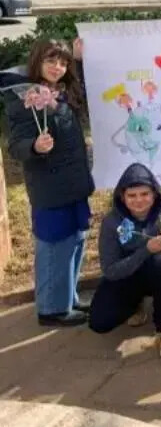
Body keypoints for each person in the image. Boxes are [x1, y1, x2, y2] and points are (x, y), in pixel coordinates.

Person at [2, 39, 94, 326]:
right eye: (51, 60)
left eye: (63, 62)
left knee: (76, 242)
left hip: (74, 183)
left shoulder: (63, 91)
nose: (58, 67)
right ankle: (52, 309)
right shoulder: (23, 99)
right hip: (51, 188)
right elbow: (15, 144)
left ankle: (68, 298)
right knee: (55, 246)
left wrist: (78, 59)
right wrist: (35, 146)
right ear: (37, 61)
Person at [89, 163, 161, 360]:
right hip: (126, 276)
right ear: (122, 197)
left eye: (144, 194)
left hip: (158, 274)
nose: (139, 200)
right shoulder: (111, 222)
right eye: (132, 196)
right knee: (100, 322)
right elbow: (110, 270)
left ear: (155, 194)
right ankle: (136, 304)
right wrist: (145, 251)